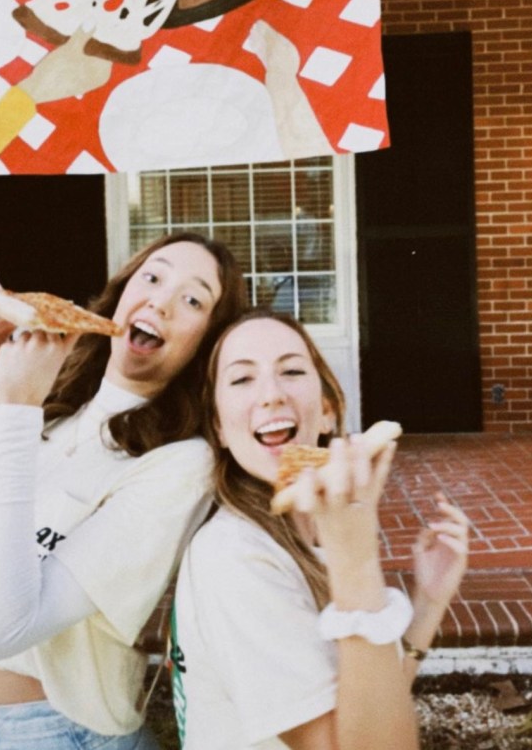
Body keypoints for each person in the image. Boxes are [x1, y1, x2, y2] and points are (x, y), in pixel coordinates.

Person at [0, 232, 248, 750]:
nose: (160, 302)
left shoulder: (181, 463)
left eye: (192, 300)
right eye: (153, 277)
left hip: (65, 733)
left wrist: (16, 410)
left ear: (207, 341)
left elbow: (0, 631)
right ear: (121, 294)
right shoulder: (56, 413)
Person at [171, 309, 469, 750]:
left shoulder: (318, 529)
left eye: (291, 371)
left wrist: (429, 603)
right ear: (219, 428)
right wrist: (356, 565)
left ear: (327, 411)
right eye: (242, 379)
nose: (271, 395)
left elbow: (365, 714)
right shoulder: (234, 559)